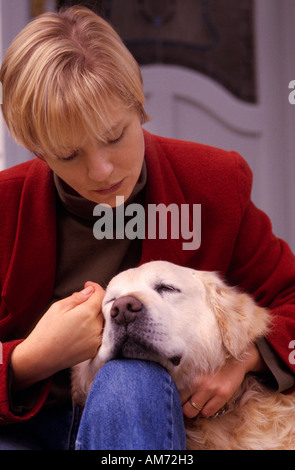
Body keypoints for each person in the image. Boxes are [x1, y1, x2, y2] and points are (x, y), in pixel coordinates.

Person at [0, 6, 294, 450]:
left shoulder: (214, 180)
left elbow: (291, 297)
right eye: (67, 154)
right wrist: (29, 360)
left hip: (155, 416)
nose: (101, 171)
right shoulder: (4, 204)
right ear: (35, 148)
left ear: (140, 107)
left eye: (115, 136)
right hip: (25, 426)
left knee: (129, 379)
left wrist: (248, 358)